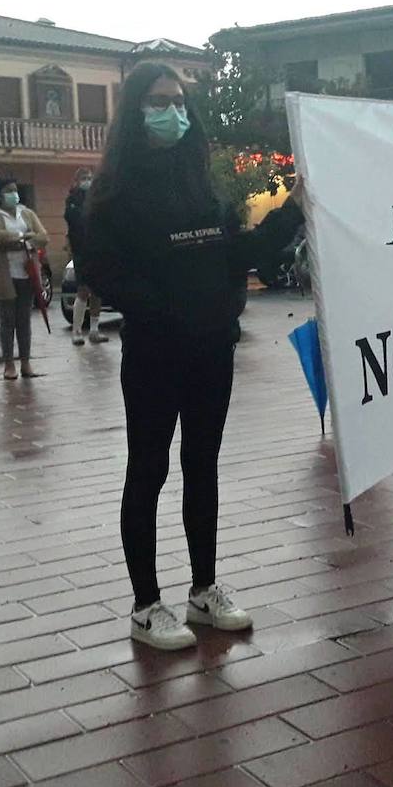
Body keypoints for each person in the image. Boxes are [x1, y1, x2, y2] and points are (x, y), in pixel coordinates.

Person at [82, 60, 305, 651]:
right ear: (135, 110)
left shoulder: (201, 184)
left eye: (179, 100)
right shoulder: (110, 196)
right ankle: (146, 604)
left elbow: (241, 256)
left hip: (211, 351)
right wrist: (172, 313)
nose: (172, 111)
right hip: (157, 355)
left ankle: (204, 589)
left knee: (201, 467)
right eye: (159, 100)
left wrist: (294, 210)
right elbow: (110, 276)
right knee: (148, 471)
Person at [0, 178, 49, 380]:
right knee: (7, 320)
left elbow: (43, 236)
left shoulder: (26, 213)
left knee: (24, 320)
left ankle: (26, 363)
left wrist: (24, 241)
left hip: (27, 273)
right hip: (4, 274)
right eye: (9, 190)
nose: (14, 194)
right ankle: (9, 364)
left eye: (15, 190)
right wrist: (23, 237)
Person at [65, 166, 107, 346]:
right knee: (83, 290)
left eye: (90, 177)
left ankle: (94, 330)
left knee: (97, 291)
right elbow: (75, 222)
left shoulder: (97, 197)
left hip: (98, 250)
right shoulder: (72, 199)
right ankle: (76, 331)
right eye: (84, 177)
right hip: (81, 251)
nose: (88, 181)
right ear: (76, 180)